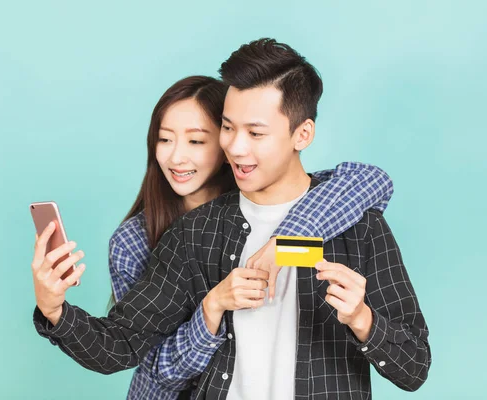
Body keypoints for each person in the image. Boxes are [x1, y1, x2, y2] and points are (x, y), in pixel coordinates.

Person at [33, 38, 430, 399]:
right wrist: (55, 310)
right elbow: (120, 345)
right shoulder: (195, 233)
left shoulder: (358, 229)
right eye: (227, 128)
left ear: (302, 134)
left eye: (255, 133)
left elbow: (414, 368)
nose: (236, 147)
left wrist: (363, 319)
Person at [105, 76, 393, 398]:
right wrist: (211, 310)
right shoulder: (134, 241)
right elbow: (155, 366)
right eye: (164, 139)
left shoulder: (262, 199)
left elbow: (372, 181)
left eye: (197, 141)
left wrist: (283, 241)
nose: (176, 158)